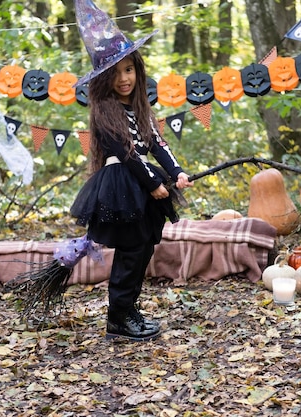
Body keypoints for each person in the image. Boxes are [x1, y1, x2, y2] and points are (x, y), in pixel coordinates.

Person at [70, 0, 194, 341]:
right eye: (116, 73)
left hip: (140, 182)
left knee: (144, 249)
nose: (124, 79)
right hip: (122, 184)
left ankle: (129, 309)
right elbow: (127, 153)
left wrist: (177, 171)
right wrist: (154, 182)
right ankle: (117, 317)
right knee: (131, 250)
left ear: (138, 71)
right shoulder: (105, 112)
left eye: (129, 70)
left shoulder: (139, 108)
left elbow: (156, 143)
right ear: (104, 79)